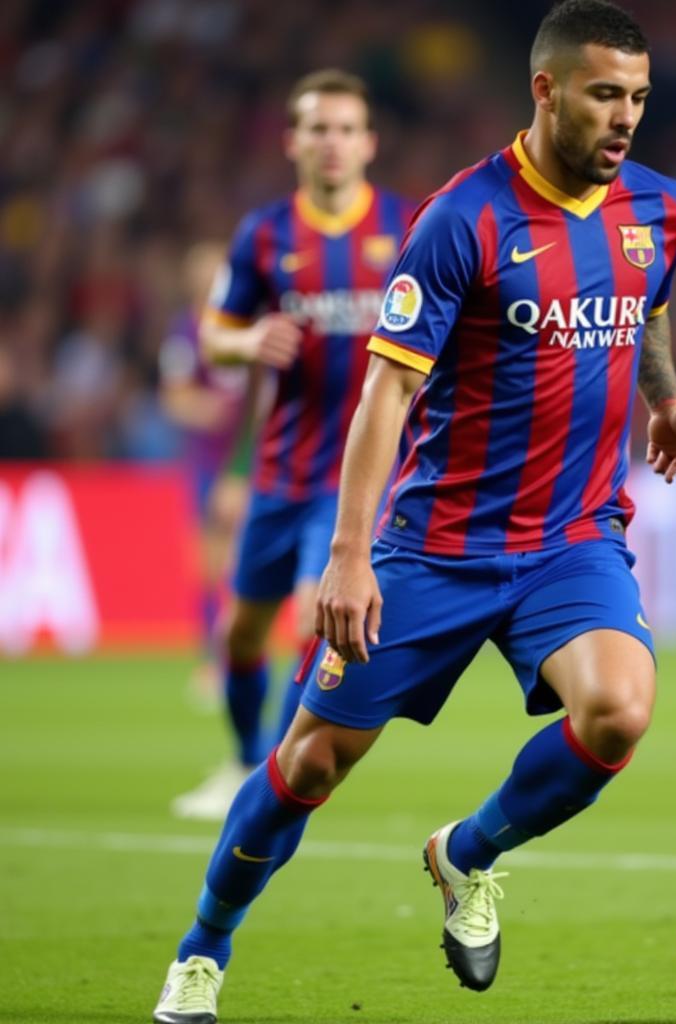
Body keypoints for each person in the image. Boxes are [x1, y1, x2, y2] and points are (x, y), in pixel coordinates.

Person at [153, 2, 676, 1019]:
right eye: (604, 95)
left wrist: (666, 399)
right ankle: (204, 944)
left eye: (636, 97)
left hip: (572, 539)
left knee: (619, 711)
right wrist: (347, 556)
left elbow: (651, 300)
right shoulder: (463, 218)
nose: (625, 117)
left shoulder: (659, 207)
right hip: (438, 546)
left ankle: (468, 853)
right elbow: (386, 392)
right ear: (545, 90)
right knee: (309, 760)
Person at [169, 69, 415, 820]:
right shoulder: (265, 234)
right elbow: (214, 332)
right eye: (318, 128)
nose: (332, 142)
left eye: (346, 128)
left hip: (359, 483)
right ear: (293, 141)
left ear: (368, 142)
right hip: (280, 474)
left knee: (316, 622)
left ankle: (267, 785)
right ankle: (246, 757)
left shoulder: (407, 228)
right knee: (244, 633)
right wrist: (248, 341)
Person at [158, 241, 253, 711]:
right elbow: (175, 397)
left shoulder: (250, 326)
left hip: (250, 461)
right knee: (209, 567)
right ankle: (214, 661)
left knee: (245, 563)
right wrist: (202, 407)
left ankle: (243, 661)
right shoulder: (185, 333)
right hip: (205, 463)